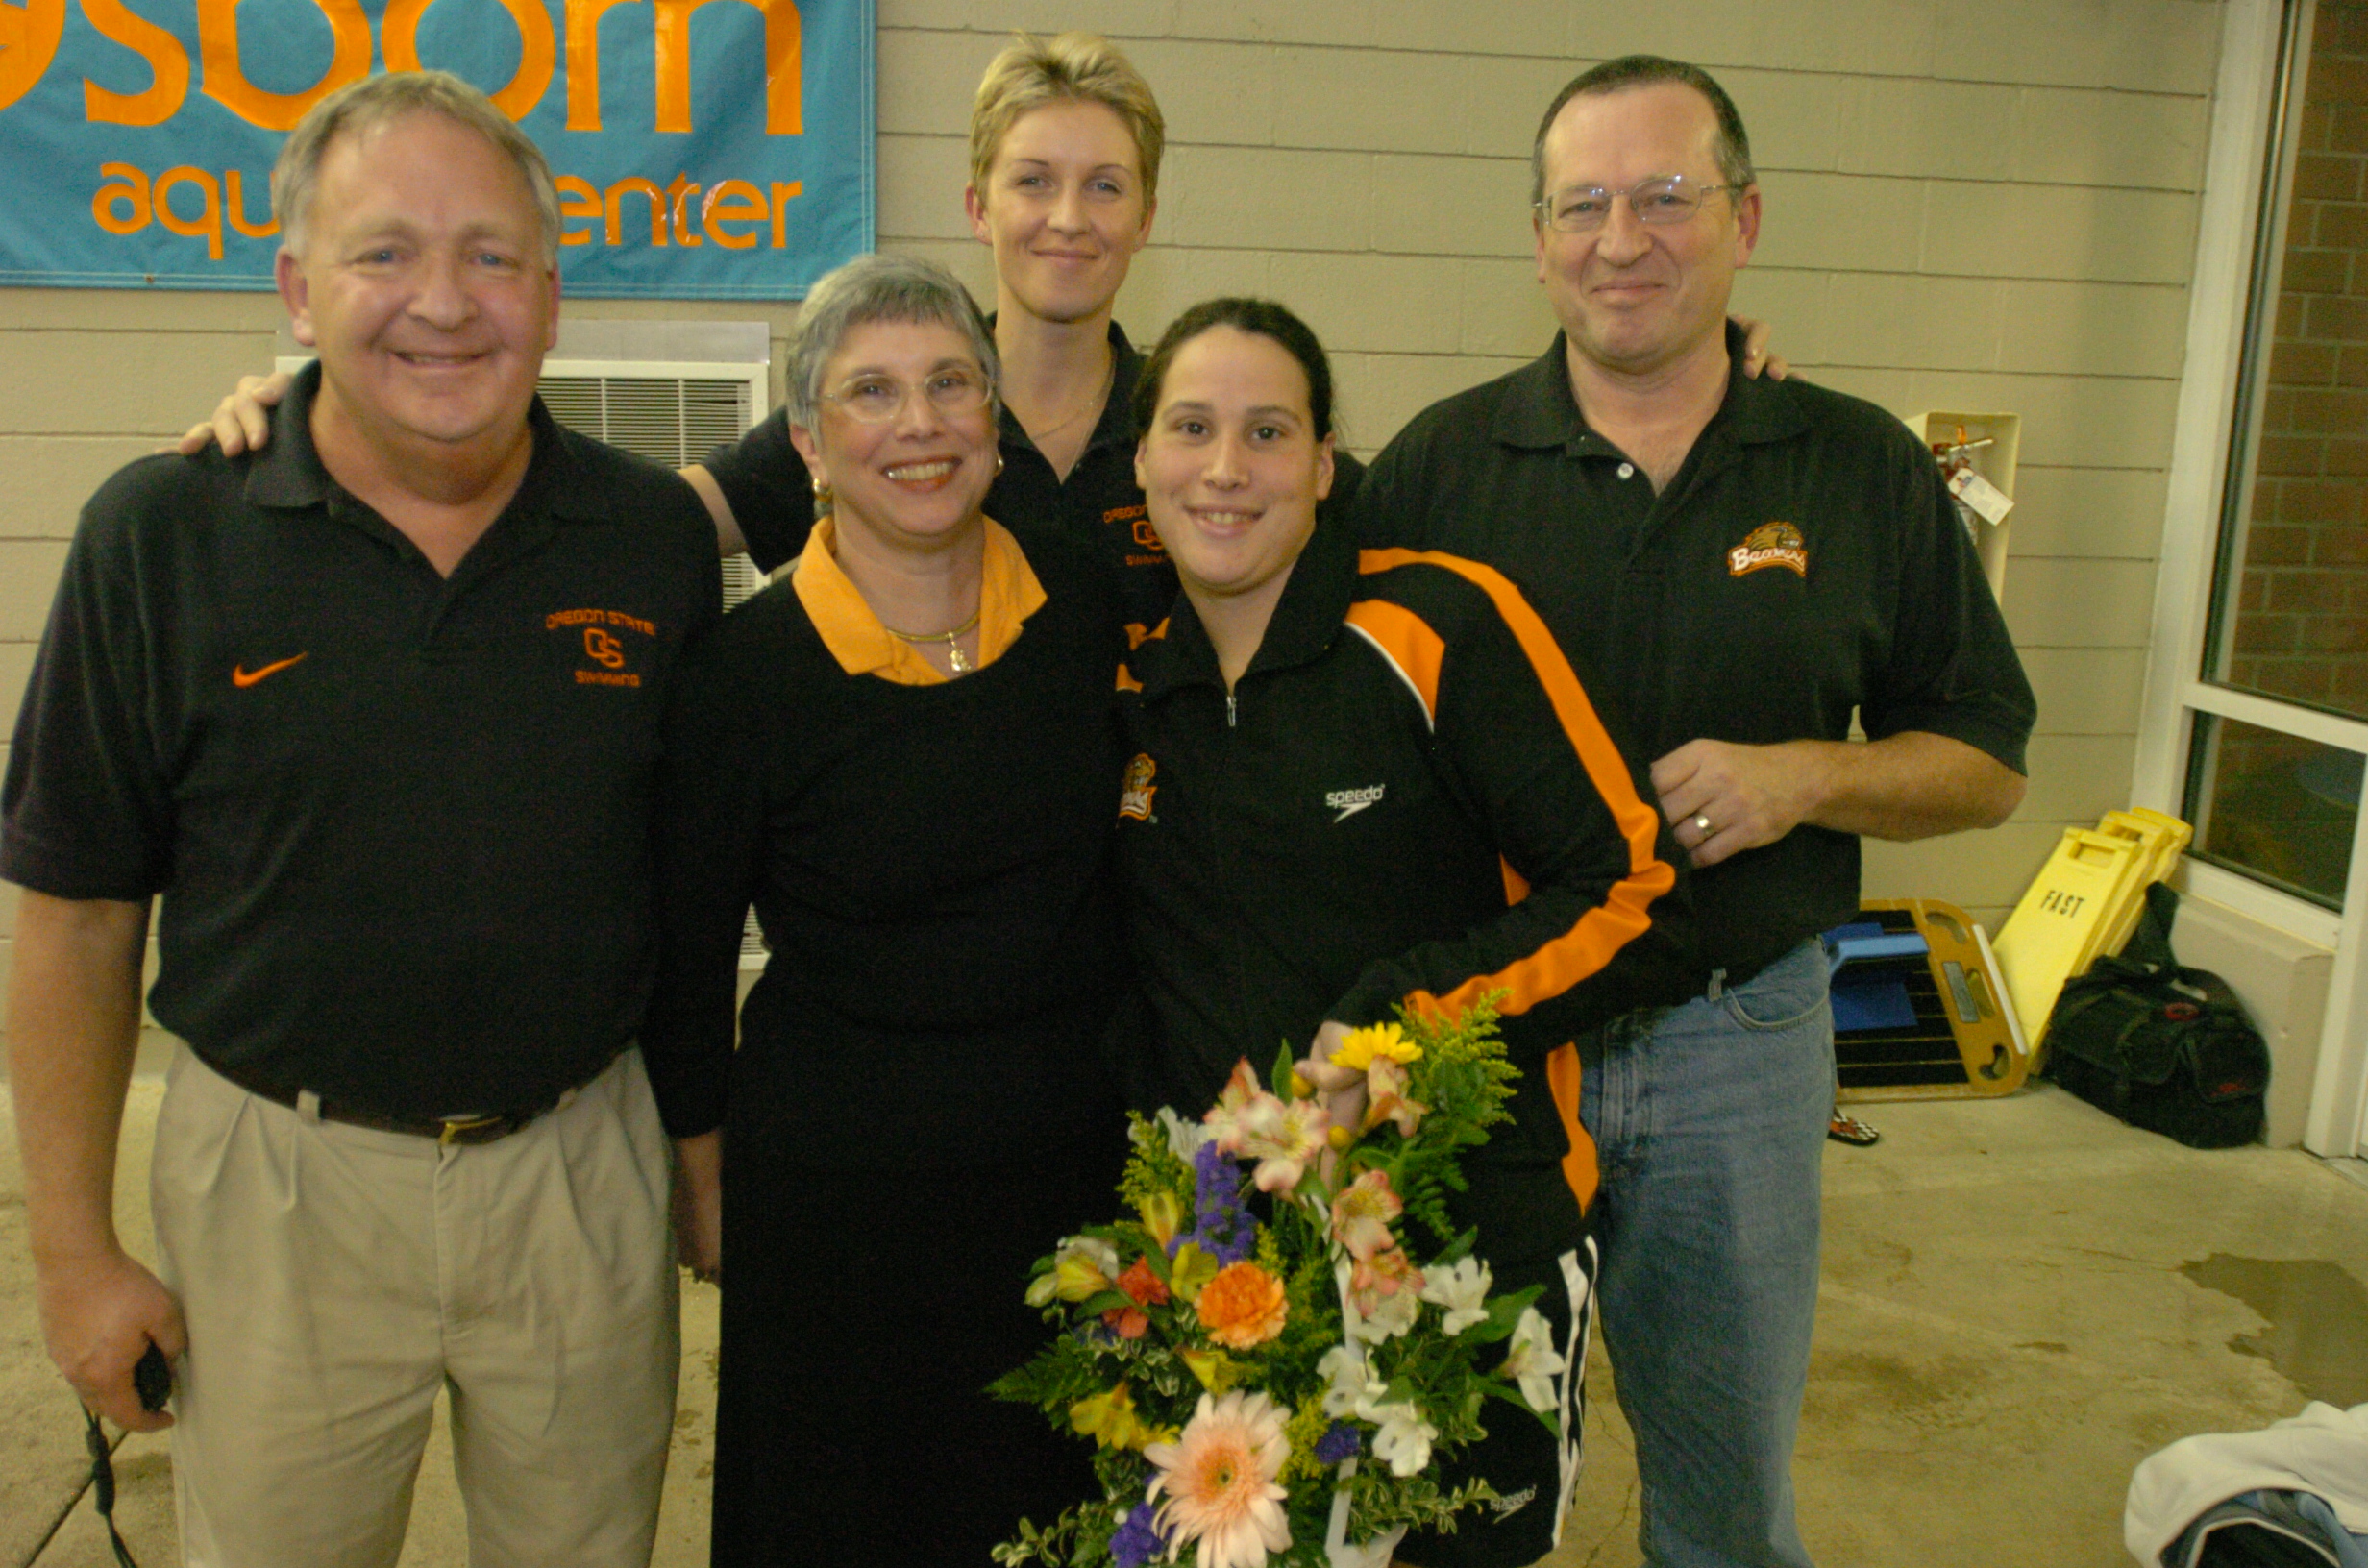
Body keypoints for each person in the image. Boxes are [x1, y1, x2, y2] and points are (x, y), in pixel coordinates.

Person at [2, 70, 719, 1568]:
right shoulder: (162, 534)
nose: (443, 302)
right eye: (384, 252)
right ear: (296, 288)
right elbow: (74, 912)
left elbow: (698, 867)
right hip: (278, 1186)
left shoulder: (651, 538)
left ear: (554, 291)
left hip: (583, 1174)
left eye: (491, 255)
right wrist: (72, 1251)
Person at [1353, 55, 2037, 1568]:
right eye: (1584, 203)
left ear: (1745, 218)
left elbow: (1988, 754)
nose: (1623, 237)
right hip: (1497, 1049)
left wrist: (1814, 776)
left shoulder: (1854, 467)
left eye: (1667, 196)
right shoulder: (1440, 469)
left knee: (1726, 1499)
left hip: (1743, 1041)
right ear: (1536, 239)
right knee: (1440, 1488)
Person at [1117, 298, 1704, 1566]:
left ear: (1326, 464)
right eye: (1192, 428)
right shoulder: (1133, 689)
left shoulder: (1435, 623)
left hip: (1466, 1252)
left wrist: (1394, 1029)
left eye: (1268, 432)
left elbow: (1630, 883)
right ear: (1143, 462)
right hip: (1229, 1274)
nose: (1226, 469)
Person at [639, 254, 1127, 1566]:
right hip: (833, 1200)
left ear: (993, 418)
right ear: (806, 439)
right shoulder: (742, 678)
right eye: (870, 393)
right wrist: (703, 1179)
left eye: (950, 384)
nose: (918, 425)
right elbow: (685, 960)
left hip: (1071, 1178)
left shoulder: (1090, 605)